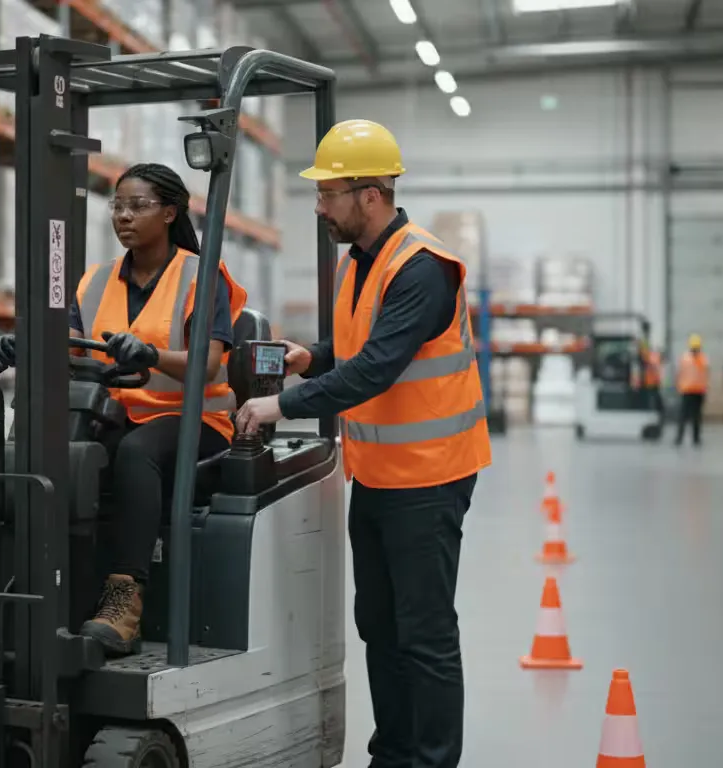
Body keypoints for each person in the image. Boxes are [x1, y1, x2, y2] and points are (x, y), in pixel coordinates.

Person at [234, 119, 492, 768]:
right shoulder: (363, 261)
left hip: (430, 478)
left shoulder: (422, 269)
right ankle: (394, 753)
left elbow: (378, 368)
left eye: (329, 193)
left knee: (425, 632)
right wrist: (309, 358)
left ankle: (430, 760)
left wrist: (279, 404)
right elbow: (355, 352)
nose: (320, 205)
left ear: (371, 194)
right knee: (379, 625)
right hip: (378, 473)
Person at [0, 163, 247, 657]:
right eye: (117, 206)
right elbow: (73, 348)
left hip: (194, 423)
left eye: (137, 206)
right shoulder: (96, 281)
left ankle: (125, 600)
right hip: (116, 412)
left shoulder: (202, 276)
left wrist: (152, 356)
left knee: (134, 453)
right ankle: (40, 583)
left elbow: (208, 366)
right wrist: (25, 346)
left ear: (169, 213)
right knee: (55, 450)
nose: (123, 216)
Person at [675, 333, 709, 446]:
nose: (695, 349)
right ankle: (687, 439)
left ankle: (691, 439)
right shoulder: (701, 359)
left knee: (692, 417)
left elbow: (680, 373)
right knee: (689, 416)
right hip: (690, 391)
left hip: (694, 391)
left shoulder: (691, 358)